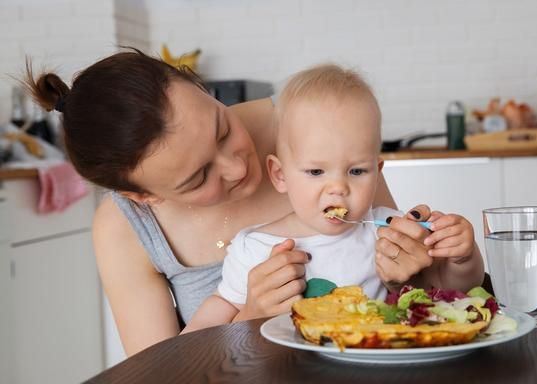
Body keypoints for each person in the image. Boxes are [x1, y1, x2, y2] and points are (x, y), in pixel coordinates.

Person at [23, 49, 482, 356]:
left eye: (222, 128)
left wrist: (420, 256)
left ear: (204, 90)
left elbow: (417, 278)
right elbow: (160, 373)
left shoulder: (304, 122)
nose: (237, 167)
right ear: (141, 196)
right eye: (199, 176)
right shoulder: (123, 228)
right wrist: (249, 318)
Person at [184, 64, 485, 331]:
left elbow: (451, 287)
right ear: (280, 175)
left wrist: (462, 256)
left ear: (377, 171)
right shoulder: (254, 248)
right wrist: (247, 314)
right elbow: (207, 330)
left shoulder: (385, 231)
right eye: (316, 172)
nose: (338, 188)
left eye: (356, 171)